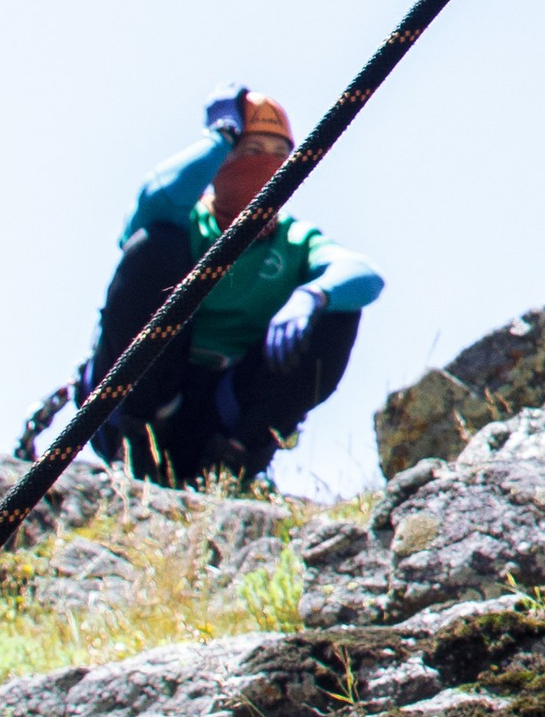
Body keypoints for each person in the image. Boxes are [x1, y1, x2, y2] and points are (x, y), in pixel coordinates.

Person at [86, 90, 384, 488]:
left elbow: (363, 274)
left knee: (339, 308)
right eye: (251, 150)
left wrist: (313, 295)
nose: (266, 164)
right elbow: (155, 198)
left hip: (219, 418)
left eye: (279, 154)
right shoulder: (185, 221)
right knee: (155, 246)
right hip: (147, 399)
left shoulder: (294, 242)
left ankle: (236, 457)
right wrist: (221, 135)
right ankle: (134, 428)